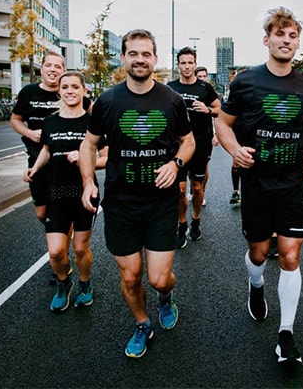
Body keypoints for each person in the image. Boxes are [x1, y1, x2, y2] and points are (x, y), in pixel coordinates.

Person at [215, 7, 303, 365]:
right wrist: (234, 149)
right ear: (267, 39)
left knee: (291, 255)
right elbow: (223, 123)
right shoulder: (247, 81)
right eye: (280, 35)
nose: (287, 41)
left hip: (292, 183)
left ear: (297, 41)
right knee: (260, 253)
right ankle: (257, 284)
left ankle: (285, 335)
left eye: (293, 35)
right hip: (257, 183)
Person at [79, 29, 195, 359]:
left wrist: (175, 163)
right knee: (131, 277)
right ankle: (143, 324)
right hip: (120, 206)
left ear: (155, 59)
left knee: (159, 279)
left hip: (160, 204)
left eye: (146, 54)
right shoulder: (107, 101)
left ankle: (164, 298)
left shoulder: (171, 100)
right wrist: (89, 180)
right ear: (123, 57)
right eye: (134, 53)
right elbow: (89, 144)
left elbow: (189, 142)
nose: (140, 59)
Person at [24, 72, 107, 312]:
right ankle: (64, 281)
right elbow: (47, 149)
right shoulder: (50, 122)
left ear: (83, 90)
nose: (70, 91)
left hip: (84, 191)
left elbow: (106, 158)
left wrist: (82, 157)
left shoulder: (93, 122)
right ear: (59, 91)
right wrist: (35, 168)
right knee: (56, 250)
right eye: (65, 87)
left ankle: (85, 284)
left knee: (80, 248)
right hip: (56, 191)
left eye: (75, 87)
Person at [167, 49, 220, 248]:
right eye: (183, 63)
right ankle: (182, 224)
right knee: (180, 190)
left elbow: (219, 109)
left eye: (190, 63)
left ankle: (196, 220)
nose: (187, 67)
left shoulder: (205, 88)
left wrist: (208, 110)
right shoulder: (170, 88)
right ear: (178, 65)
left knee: (196, 186)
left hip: (201, 142)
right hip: (178, 144)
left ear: (195, 63)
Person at [11, 51, 67, 224]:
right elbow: (15, 119)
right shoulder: (29, 92)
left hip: (63, 163)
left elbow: (90, 117)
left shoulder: (69, 91)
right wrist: (29, 133)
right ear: (41, 69)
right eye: (48, 65)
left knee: (64, 212)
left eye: (57, 66)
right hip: (36, 161)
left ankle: (61, 247)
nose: (53, 70)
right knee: (42, 214)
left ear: (63, 70)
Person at [195, 66, 220, 207]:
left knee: (204, 167)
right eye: (200, 76)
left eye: (205, 76)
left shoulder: (208, 91)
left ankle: (201, 192)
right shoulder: (191, 91)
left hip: (206, 134)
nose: (203, 79)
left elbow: (218, 113)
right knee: (190, 168)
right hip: (190, 134)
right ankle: (195, 188)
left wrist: (216, 134)